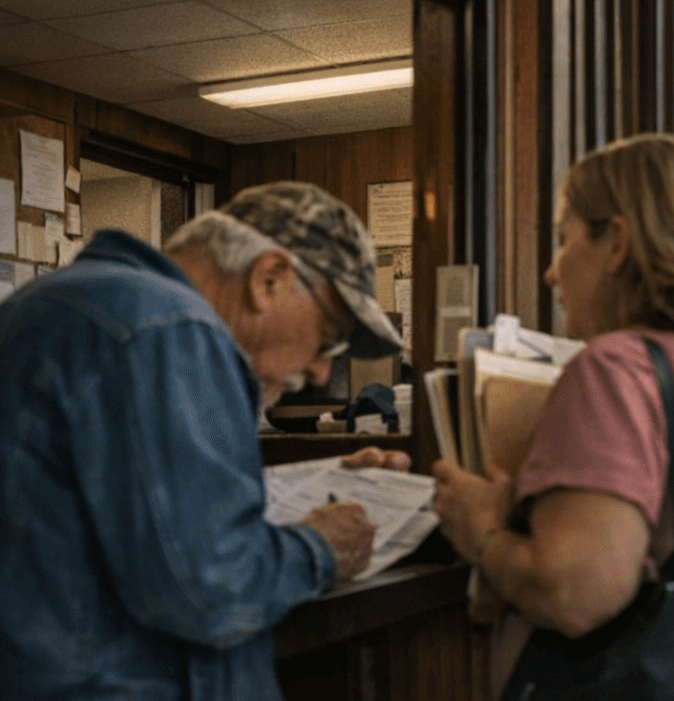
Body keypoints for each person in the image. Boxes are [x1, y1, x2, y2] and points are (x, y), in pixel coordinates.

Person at [429, 133, 674, 701]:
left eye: (564, 241)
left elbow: (574, 593)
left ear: (618, 244)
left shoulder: (614, 368)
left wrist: (480, 531)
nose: (552, 273)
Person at [0, 181, 403, 699]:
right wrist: (319, 547)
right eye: (328, 336)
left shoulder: (64, 304)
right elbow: (208, 590)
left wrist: (312, 486)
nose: (324, 372)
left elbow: (125, 514)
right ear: (270, 278)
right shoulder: (170, 327)